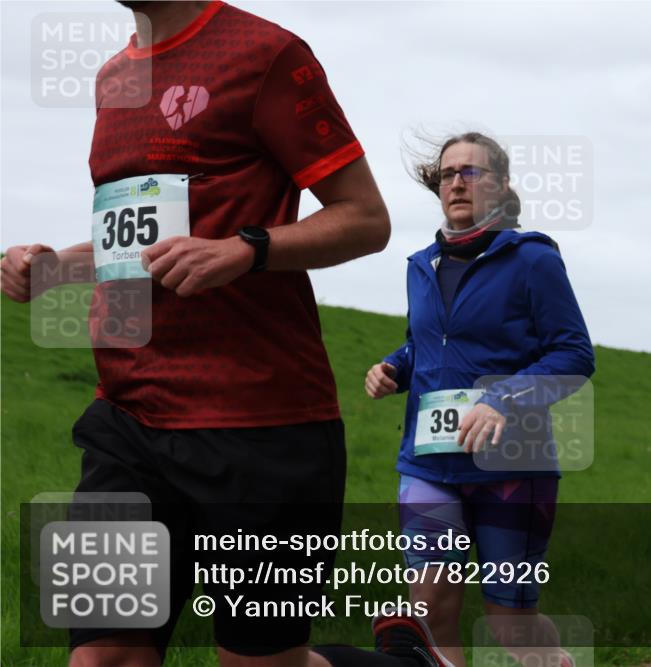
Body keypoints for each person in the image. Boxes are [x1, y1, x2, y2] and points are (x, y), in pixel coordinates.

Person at [1, 2, 450, 666]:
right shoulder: (112, 77)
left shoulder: (265, 55)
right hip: (126, 419)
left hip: (260, 424)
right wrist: (55, 268)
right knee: (103, 657)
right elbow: (136, 237)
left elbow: (365, 219)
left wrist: (248, 249)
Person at [364, 132, 595, 666]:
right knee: (430, 613)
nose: (458, 182)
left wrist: (504, 399)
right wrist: (395, 368)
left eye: (473, 172)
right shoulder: (421, 265)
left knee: (508, 625)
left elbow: (574, 354)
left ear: (501, 185)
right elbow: (427, 340)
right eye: (448, 173)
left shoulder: (533, 259)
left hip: (512, 467)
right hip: (428, 466)